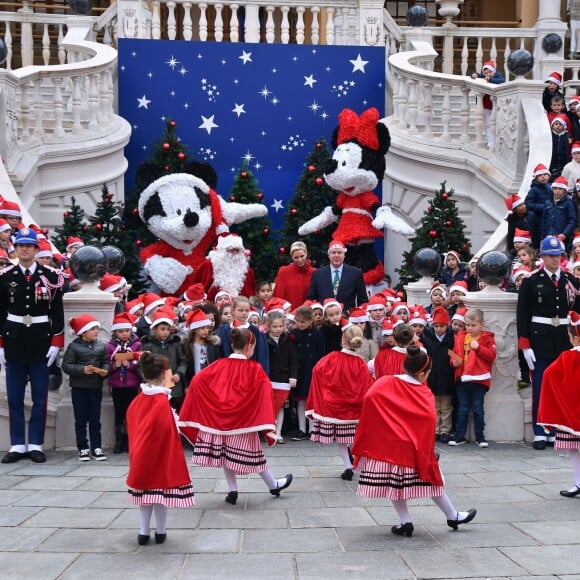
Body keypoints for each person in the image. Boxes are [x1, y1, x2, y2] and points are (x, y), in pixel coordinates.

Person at [352, 346, 477, 537]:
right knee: (433, 480)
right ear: (422, 374)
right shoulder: (423, 393)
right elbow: (427, 422)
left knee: (395, 486)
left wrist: (386, 425)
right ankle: (452, 515)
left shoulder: (385, 382)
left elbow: (370, 399)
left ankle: (406, 521)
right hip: (414, 448)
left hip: (389, 448)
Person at [178, 325, 293, 506]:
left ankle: (233, 490)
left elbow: (198, 380)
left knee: (225, 455)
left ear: (233, 346)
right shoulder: (254, 369)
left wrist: (211, 404)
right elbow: (264, 391)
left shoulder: (218, 365)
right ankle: (273, 485)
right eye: (253, 348)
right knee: (255, 456)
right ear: (249, 347)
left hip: (219, 423)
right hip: (243, 423)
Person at [0, 228, 65, 464]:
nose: (24, 249)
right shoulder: (5, 276)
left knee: (40, 396)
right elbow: (0, 312)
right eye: (20, 246)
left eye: (29, 246)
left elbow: (57, 312)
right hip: (13, 339)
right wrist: (0, 345)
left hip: (40, 340)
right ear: (15, 249)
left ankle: (35, 443)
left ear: (37, 249)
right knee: (15, 396)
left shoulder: (51, 275)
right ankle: (17, 444)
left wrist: (57, 342)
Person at [517, 235, 580, 450]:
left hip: (563, 340)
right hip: (540, 340)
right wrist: (525, 345)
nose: (555, 259)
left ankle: (558, 430)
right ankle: (540, 431)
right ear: (542, 256)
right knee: (541, 388)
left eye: (558, 255)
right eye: (551, 255)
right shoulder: (531, 281)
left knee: (563, 388)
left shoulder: (571, 280)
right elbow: (522, 314)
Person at [126, 352, 195, 546]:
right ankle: (161, 531)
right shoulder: (161, 402)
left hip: (141, 456)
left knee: (145, 497)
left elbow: (133, 422)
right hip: (160, 456)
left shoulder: (138, 400)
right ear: (165, 375)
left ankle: (143, 531)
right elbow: (168, 429)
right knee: (160, 497)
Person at [306, 324, 373, 480]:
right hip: (355, 410)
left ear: (343, 339)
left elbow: (317, 371)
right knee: (357, 439)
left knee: (341, 439)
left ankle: (348, 466)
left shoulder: (331, 358)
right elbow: (367, 386)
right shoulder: (361, 364)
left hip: (333, 407)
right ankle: (359, 467)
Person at [537, 311, 580, 498]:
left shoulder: (567, 357)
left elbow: (548, 374)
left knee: (574, 449)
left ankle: (579, 481)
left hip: (570, 415)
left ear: (575, 337)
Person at [62, 314, 109, 461]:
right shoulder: (74, 346)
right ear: (83, 331)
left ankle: (96, 447)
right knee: (81, 420)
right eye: (92, 329)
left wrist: (104, 371)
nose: (96, 331)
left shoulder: (101, 346)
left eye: (97, 328)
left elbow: (105, 361)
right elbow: (66, 365)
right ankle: (82, 448)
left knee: (95, 419)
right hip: (79, 388)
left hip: (95, 387)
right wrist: (82, 370)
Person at [448, 308, 496, 448]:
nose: (469, 328)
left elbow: (492, 356)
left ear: (481, 324)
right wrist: (453, 362)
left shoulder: (487, 338)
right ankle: (459, 436)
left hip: (479, 379)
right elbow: (453, 353)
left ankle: (480, 437)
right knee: (462, 408)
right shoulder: (461, 337)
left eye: (473, 325)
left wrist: (479, 348)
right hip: (463, 378)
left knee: (477, 408)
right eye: (467, 325)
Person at [106, 312, 142, 454]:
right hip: (117, 385)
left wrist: (130, 365)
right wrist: (115, 365)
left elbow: (140, 363)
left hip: (132, 385)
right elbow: (106, 363)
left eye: (127, 331)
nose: (124, 334)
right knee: (119, 413)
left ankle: (130, 440)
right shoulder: (110, 347)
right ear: (115, 332)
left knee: (131, 414)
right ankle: (119, 440)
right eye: (121, 331)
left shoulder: (137, 344)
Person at [290, 305, 325, 441]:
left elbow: (321, 354)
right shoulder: (295, 334)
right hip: (300, 370)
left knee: (312, 400)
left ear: (311, 321)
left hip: (312, 370)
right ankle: (301, 428)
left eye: (303, 322)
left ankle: (312, 429)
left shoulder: (318, 335)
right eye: (298, 321)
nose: (300, 324)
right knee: (300, 400)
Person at [140, 310, 187, 411]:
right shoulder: (147, 344)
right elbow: (141, 365)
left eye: (168, 329)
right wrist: (150, 379)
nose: (166, 332)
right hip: (155, 386)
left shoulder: (175, 343)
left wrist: (179, 374)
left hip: (174, 387)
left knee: (174, 413)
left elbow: (182, 361)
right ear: (155, 329)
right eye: (162, 329)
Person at [422, 306, 455, 444]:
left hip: (447, 377)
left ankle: (445, 430)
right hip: (433, 377)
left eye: (442, 326)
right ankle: (435, 430)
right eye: (436, 326)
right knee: (435, 407)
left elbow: (454, 355)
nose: (439, 329)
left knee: (446, 407)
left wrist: (456, 360)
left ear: (447, 326)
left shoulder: (451, 340)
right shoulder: (428, 340)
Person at [306, 240, 367, 311]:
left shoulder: (355, 273)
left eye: (339, 253)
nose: (336, 255)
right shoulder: (318, 274)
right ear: (329, 255)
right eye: (333, 253)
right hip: (324, 317)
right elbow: (311, 298)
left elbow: (363, 300)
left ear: (344, 255)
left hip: (348, 316)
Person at [265, 311, 298, 444]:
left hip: (283, 378)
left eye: (280, 326)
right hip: (269, 377)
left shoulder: (288, 340)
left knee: (280, 407)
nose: (278, 329)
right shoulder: (264, 340)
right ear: (269, 327)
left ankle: (278, 433)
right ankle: (269, 431)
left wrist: (293, 377)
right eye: (275, 326)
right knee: (269, 406)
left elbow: (294, 360)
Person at [195, 233, 256, 301]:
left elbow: (251, 295)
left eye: (237, 250)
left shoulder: (247, 271)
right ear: (222, 250)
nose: (234, 253)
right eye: (231, 249)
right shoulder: (208, 265)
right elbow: (197, 289)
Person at [217, 296, 269, 373]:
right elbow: (221, 352)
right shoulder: (224, 330)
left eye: (247, 310)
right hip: (228, 371)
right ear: (233, 311)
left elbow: (261, 355)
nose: (244, 313)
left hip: (250, 371)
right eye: (240, 310)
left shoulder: (255, 331)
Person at [182, 309, 221, 388]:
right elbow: (185, 367)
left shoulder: (212, 345)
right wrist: (186, 385)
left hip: (210, 383)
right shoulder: (187, 346)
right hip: (193, 383)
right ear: (194, 329)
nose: (206, 330)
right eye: (202, 328)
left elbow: (217, 365)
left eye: (207, 328)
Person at [470, 59, 505, 147]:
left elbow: (501, 80)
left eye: (490, 72)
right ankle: (490, 141)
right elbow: (477, 75)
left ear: (493, 71)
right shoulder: (483, 76)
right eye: (486, 73)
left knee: (496, 123)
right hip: (485, 104)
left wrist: (490, 79)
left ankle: (496, 141)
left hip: (495, 104)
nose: (488, 74)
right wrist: (474, 75)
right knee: (488, 124)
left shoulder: (498, 76)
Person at [273, 241, 316, 308]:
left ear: (306, 254)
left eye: (302, 256)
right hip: (288, 313)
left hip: (308, 313)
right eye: (296, 257)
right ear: (292, 257)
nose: (299, 259)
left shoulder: (315, 272)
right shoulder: (283, 271)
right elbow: (278, 295)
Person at [540, 177, 578, 253]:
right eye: (555, 188)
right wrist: (542, 237)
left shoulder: (568, 203)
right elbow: (543, 220)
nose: (557, 191)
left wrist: (565, 233)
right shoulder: (548, 202)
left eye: (560, 189)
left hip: (561, 236)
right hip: (548, 235)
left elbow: (572, 220)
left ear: (564, 190)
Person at [525, 163, 552, 247]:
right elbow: (528, 203)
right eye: (540, 175)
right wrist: (543, 207)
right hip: (539, 218)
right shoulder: (534, 190)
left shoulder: (551, 187)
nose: (543, 177)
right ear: (536, 178)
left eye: (545, 174)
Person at [549, 115, 571, 180]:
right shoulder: (550, 135)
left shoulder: (567, 136)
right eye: (556, 124)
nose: (558, 126)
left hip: (564, 160)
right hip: (553, 161)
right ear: (552, 125)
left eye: (560, 124)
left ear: (564, 126)